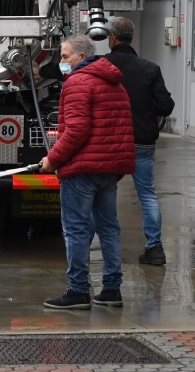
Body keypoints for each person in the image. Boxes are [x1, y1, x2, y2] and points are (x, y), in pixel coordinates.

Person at [39, 36, 136, 309]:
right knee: (108, 228)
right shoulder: (114, 82)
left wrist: (53, 161)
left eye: (65, 57)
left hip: (82, 169)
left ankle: (79, 291)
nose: (61, 63)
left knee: (77, 230)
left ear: (82, 56)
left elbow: (76, 131)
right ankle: (111, 289)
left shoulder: (79, 83)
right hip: (109, 168)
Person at [104, 17, 175, 266]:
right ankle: (155, 249)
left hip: (109, 143)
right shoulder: (149, 68)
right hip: (142, 141)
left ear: (112, 38)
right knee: (147, 195)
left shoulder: (100, 66)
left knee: (102, 192)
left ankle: (105, 247)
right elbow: (166, 105)